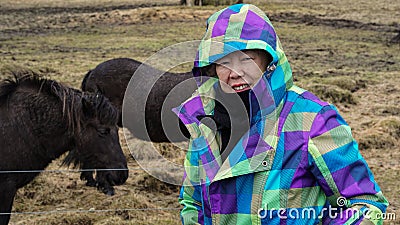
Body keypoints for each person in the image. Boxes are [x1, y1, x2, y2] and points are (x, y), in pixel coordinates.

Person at [173, 3, 388, 225]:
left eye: (247, 59)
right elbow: (193, 202)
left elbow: (365, 203)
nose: (235, 72)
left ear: (270, 61)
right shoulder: (202, 121)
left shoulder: (312, 120)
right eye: (224, 62)